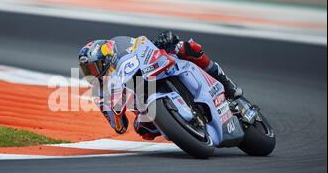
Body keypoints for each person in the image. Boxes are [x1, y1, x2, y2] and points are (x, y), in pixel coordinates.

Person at [78, 31, 243, 140]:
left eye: (94, 66)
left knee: (186, 48)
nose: (92, 72)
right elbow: (120, 127)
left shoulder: (122, 48)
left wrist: (164, 41)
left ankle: (227, 84)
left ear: (107, 59)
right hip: (144, 105)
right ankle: (183, 128)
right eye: (87, 70)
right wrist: (112, 105)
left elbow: (142, 46)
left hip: (158, 69)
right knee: (142, 129)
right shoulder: (101, 91)